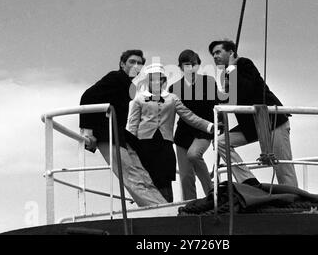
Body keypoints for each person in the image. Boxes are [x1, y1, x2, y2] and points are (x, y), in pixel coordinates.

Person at [79, 50, 168, 207]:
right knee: (131, 174)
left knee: (142, 173)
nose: (136, 66)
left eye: (139, 63)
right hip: (105, 133)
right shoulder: (115, 77)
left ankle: (160, 205)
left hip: (118, 133)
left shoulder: (129, 85)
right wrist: (87, 131)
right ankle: (154, 207)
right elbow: (87, 96)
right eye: (132, 62)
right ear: (122, 64)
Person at [208, 39, 298, 187]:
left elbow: (247, 88)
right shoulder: (227, 74)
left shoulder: (244, 64)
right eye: (213, 54)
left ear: (230, 53)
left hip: (272, 121)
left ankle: (294, 199)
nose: (215, 56)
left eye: (218, 52)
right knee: (221, 142)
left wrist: (231, 69)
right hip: (252, 125)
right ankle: (248, 181)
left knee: (283, 169)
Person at [126, 63, 214, 202]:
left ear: (163, 80)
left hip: (165, 144)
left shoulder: (172, 98)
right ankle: (148, 208)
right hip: (144, 144)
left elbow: (189, 116)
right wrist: (130, 148)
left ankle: (168, 207)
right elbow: (132, 126)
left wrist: (209, 126)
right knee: (147, 177)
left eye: (159, 78)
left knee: (165, 177)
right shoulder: (139, 99)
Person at [169, 50, 221, 200]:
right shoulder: (174, 88)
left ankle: (212, 194)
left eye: (194, 64)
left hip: (204, 131)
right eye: (187, 65)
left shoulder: (208, 81)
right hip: (183, 134)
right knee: (185, 176)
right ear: (180, 67)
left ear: (198, 65)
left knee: (194, 154)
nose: (190, 68)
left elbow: (216, 106)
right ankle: (190, 205)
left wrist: (219, 127)